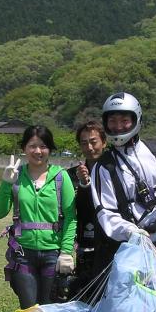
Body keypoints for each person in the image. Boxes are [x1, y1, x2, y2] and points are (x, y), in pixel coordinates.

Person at [0, 125, 77, 309]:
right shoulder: (17, 175)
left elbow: (71, 218)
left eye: (43, 146)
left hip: (53, 254)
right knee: (29, 310)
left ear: (50, 149)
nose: (38, 151)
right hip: (23, 253)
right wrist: (7, 183)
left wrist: (66, 252)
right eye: (32, 146)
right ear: (24, 148)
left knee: (50, 309)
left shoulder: (61, 177)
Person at [90, 92, 156, 272]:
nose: (118, 126)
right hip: (129, 249)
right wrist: (131, 231)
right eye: (112, 120)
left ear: (137, 120)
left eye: (124, 120)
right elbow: (105, 212)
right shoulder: (103, 167)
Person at [66, 120, 107, 296]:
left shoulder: (117, 171)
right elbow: (74, 209)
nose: (89, 147)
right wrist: (83, 184)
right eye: (84, 143)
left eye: (93, 141)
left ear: (104, 142)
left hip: (112, 242)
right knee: (86, 293)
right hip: (85, 244)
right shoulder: (72, 174)